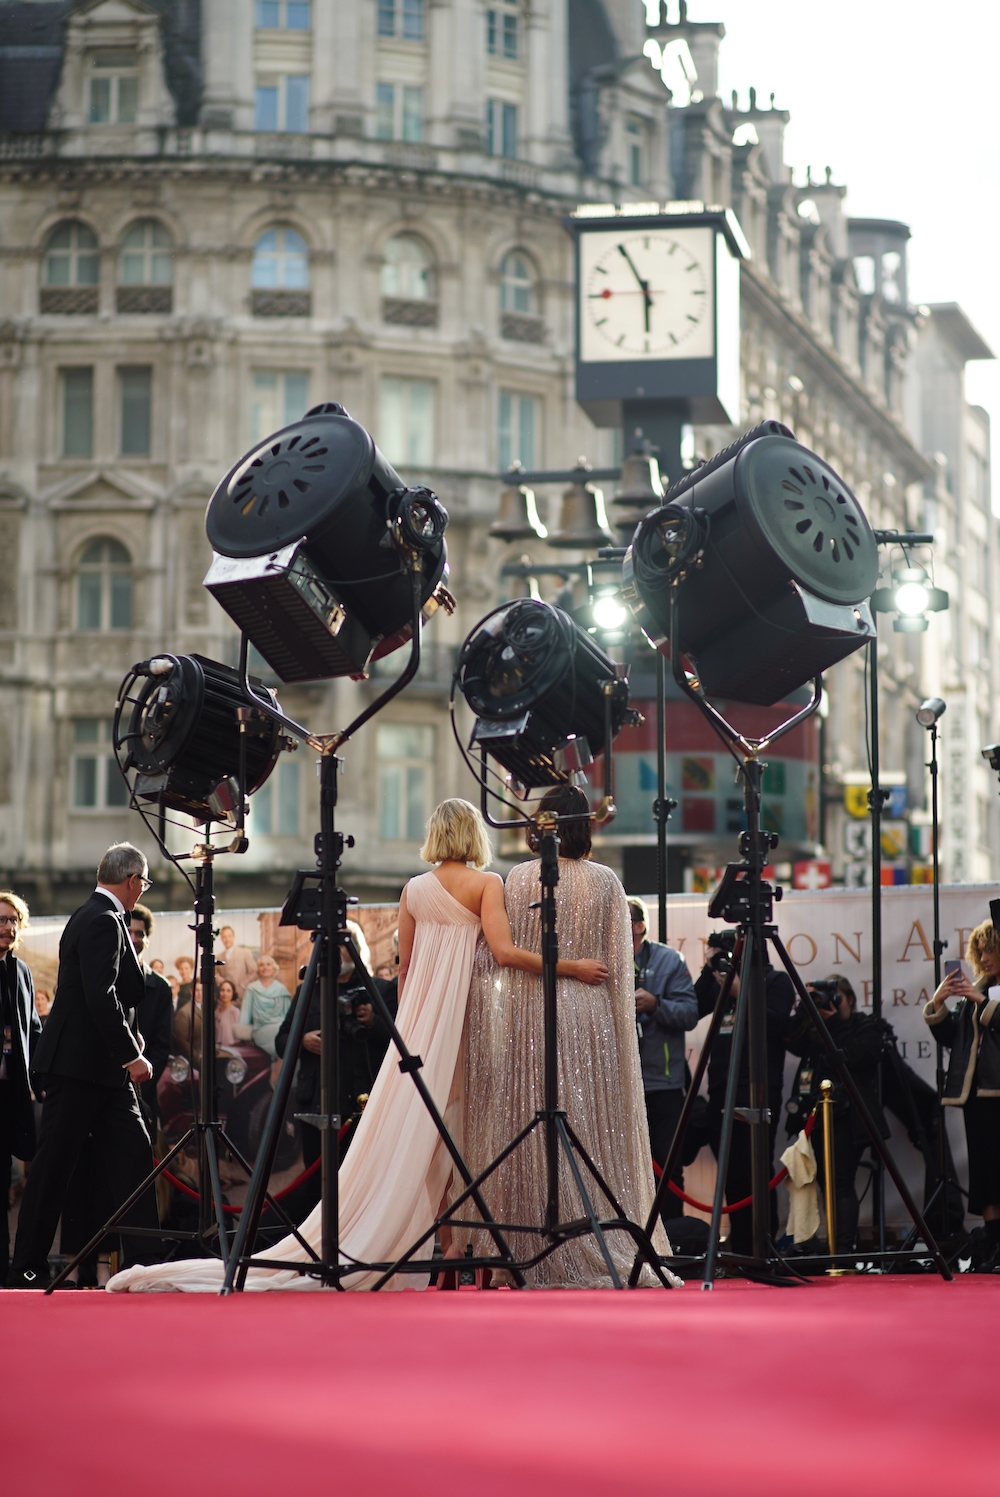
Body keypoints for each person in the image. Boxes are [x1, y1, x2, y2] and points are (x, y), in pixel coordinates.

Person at [107, 797, 607, 1292]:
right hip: (467, 1022)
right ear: (474, 835)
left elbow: (406, 968)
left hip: (420, 1026)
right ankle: (462, 1251)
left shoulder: (414, 890)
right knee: (467, 1135)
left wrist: (411, 1026)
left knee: (430, 1134)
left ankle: (451, 1247)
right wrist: (572, 967)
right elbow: (503, 952)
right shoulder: (487, 884)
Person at [463, 785, 674, 1287]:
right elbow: (622, 972)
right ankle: (598, 1234)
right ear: (588, 823)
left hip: (530, 1011)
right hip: (592, 1014)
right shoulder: (606, 882)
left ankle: (527, 1240)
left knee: (528, 1119)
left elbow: (498, 956)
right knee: (591, 1127)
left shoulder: (516, 878)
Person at [9, 843, 159, 1288]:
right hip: (81, 1069)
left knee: (134, 1155)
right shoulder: (102, 919)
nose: (142, 893)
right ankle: (27, 1268)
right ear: (132, 880)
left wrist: (128, 1043)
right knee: (53, 1167)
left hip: (101, 1072)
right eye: (143, 884)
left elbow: (103, 994)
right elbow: (100, 994)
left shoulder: (91, 915)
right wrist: (131, 1054)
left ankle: (145, 1261)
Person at [694, 931, 795, 1256]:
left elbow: (777, 1024)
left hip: (758, 1090)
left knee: (756, 1170)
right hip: (722, 1090)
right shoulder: (722, 984)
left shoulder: (774, 981)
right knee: (732, 1174)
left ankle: (764, 1247)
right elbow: (694, 1007)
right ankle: (739, 1249)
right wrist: (709, 969)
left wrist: (742, 992)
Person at [785, 975, 888, 1254]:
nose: (827, 1003)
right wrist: (804, 1009)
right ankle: (821, 1245)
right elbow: (787, 1038)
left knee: (840, 1182)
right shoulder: (812, 1030)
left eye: (834, 997)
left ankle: (842, 1250)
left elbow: (859, 1055)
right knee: (818, 1183)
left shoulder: (863, 1025)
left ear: (849, 1000)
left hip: (848, 1120)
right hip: (814, 1120)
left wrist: (832, 1022)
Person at [925, 920, 1000, 1269]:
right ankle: (992, 1239)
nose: (984, 958)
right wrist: (938, 1004)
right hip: (975, 1096)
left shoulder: (980, 995)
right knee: (983, 1169)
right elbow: (953, 1041)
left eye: (990, 950)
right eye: (980, 951)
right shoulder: (977, 991)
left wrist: (982, 1002)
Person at [627, 896, 699, 1222]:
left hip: (663, 1084)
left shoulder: (670, 960)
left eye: (621, 919)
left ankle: (672, 1246)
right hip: (616, 1087)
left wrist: (656, 1004)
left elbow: (689, 1014)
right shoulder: (596, 959)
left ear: (639, 926)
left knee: (668, 1169)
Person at [0, 891, 40, 1285]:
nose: (8, 927)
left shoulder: (21, 971)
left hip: (11, 1094)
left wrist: (42, 1079)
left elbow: (33, 1029)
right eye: (1, 919)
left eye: (13, 920)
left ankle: (6, 1270)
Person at [236, 955, 291, 1060]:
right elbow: (245, 1014)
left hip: (280, 1028)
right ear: (258, 969)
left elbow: (288, 1016)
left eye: (268, 964)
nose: (265, 968)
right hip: (261, 1029)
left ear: (273, 968)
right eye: (261, 965)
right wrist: (242, 1035)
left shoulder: (281, 990)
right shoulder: (252, 989)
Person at [215, 925, 257, 1001]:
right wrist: (218, 979)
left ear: (234, 936)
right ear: (221, 939)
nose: (227, 939)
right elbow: (214, 974)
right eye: (224, 937)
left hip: (241, 996)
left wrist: (243, 985)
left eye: (229, 936)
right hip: (225, 997)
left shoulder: (245, 953)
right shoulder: (218, 957)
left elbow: (254, 972)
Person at [215, 978, 241, 1048]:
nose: (225, 994)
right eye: (222, 990)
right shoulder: (216, 1012)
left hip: (231, 1050)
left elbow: (239, 1037)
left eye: (228, 991)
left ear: (233, 993)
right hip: (218, 1050)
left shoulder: (235, 1012)